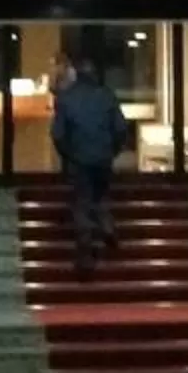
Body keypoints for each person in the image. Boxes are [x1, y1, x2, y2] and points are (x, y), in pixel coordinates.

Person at [49, 51, 133, 275]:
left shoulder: (65, 98)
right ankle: (106, 226)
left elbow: (58, 134)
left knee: (82, 203)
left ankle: (85, 254)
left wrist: (68, 155)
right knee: (101, 195)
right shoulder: (106, 95)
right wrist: (112, 151)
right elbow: (121, 129)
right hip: (103, 157)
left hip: (79, 159)